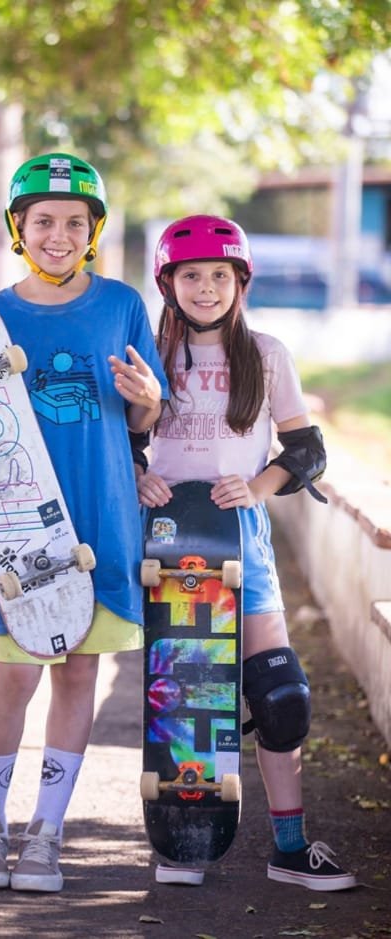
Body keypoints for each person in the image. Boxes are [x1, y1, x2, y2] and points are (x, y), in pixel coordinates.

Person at [0, 152, 168, 893]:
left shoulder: (122, 304)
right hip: (20, 525)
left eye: (74, 222)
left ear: (93, 231)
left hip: (105, 514)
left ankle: (46, 833)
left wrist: (148, 400)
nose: (59, 235)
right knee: (14, 673)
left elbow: (144, 416)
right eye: (44, 221)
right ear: (19, 227)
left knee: (78, 674)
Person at [137, 214, 356, 892]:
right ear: (168, 283)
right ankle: (182, 840)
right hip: (169, 540)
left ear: (241, 282)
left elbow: (306, 449)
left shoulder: (266, 354)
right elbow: (117, 438)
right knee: (182, 693)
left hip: (241, 538)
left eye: (220, 275)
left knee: (280, 695)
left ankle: (289, 848)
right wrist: (135, 471)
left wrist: (258, 485)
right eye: (191, 275)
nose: (206, 287)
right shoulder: (147, 351)